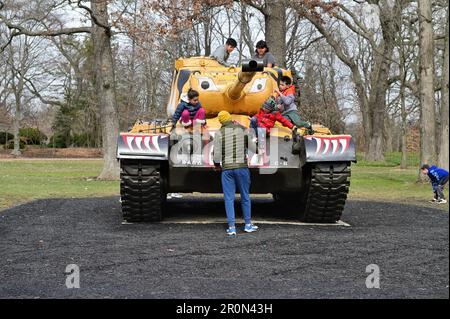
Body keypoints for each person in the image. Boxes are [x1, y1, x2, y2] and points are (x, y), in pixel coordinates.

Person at [213, 111, 258, 236]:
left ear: (221, 121)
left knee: (229, 198)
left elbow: (216, 155)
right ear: (230, 118)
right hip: (242, 168)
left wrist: (217, 166)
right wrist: (260, 150)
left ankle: (232, 227)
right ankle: (248, 225)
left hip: (227, 170)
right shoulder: (240, 129)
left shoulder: (219, 133)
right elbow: (253, 148)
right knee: (245, 196)